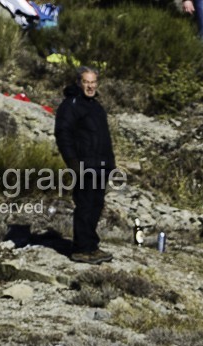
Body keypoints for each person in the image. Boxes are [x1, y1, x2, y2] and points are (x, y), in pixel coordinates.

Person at [55, 66, 117, 264]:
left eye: (93, 82)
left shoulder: (96, 106)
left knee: (96, 206)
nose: (90, 86)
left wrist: (110, 164)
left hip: (101, 166)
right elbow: (63, 134)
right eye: (86, 82)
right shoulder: (71, 105)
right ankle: (81, 249)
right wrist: (73, 162)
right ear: (78, 83)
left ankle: (91, 246)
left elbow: (103, 138)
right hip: (83, 165)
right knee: (85, 206)